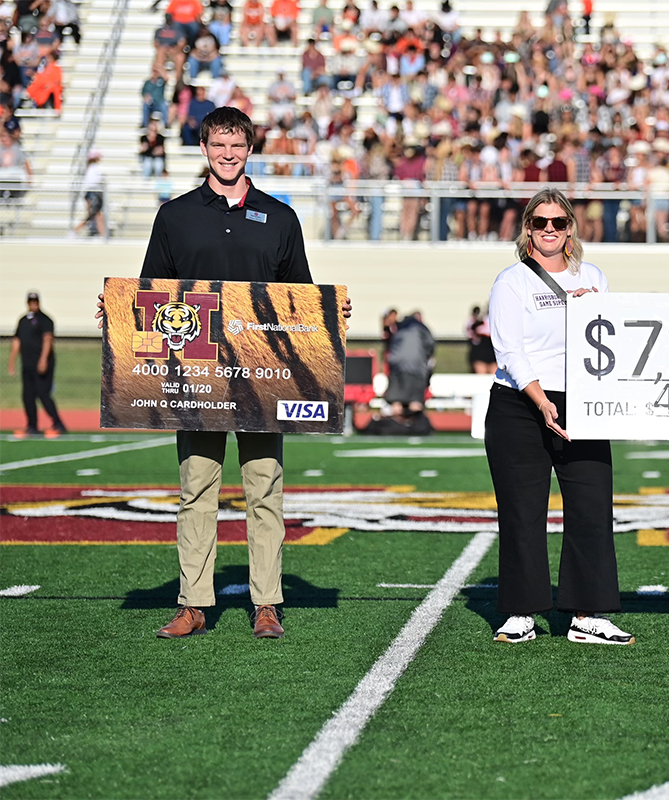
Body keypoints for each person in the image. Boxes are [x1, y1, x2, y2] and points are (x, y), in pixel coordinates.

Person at [94, 107, 352, 640]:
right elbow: (152, 296)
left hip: (263, 377)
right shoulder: (175, 215)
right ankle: (193, 602)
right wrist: (118, 313)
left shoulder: (280, 217)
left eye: (237, 146)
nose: (228, 155)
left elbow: (297, 300)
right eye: (218, 146)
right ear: (205, 149)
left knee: (265, 490)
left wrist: (330, 317)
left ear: (250, 149)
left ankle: (266, 604)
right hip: (197, 376)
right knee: (196, 489)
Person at [484, 187, 633, 646]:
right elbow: (509, 349)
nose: (550, 230)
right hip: (519, 405)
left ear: (571, 228)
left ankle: (588, 616)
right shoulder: (512, 281)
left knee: (591, 507)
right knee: (522, 512)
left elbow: (612, 340)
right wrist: (540, 399)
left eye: (559, 223)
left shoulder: (595, 277)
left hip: (584, 402)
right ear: (527, 228)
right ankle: (520, 613)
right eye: (540, 223)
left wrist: (596, 308)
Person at [7, 291, 67, 439]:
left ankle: (58, 424)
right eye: (30, 302)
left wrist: (43, 360)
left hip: (41, 364)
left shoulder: (45, 320)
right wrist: (12, 362)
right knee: (27, 396)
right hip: (27, 364)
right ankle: (32, 426)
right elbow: (17, 341)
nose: (33, 304)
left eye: (35, 301)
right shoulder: (23, 321)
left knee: (43, 394)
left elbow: (48, 340)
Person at [383, 307, 435, 418]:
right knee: (415, 400)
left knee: (396, 399)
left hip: (396, 365)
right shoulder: (421, 327)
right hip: (416, 366)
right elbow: (430, 345)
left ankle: (396, 425)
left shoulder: (401, 327)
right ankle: (414, 424)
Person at [72, 148, 105, 237]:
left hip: (92, 194)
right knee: (94, 215)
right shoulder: (93, 169)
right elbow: (92, 183)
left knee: (95, 215)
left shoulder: (91, 168)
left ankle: (102, 234)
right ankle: (75, 231)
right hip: (93, 194)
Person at [465, 305, 496, 374]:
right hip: (480, 351)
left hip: (492, 351)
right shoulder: (475, 322)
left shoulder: (497, 321)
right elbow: (470, 333)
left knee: (493, 377)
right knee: (481, 378)